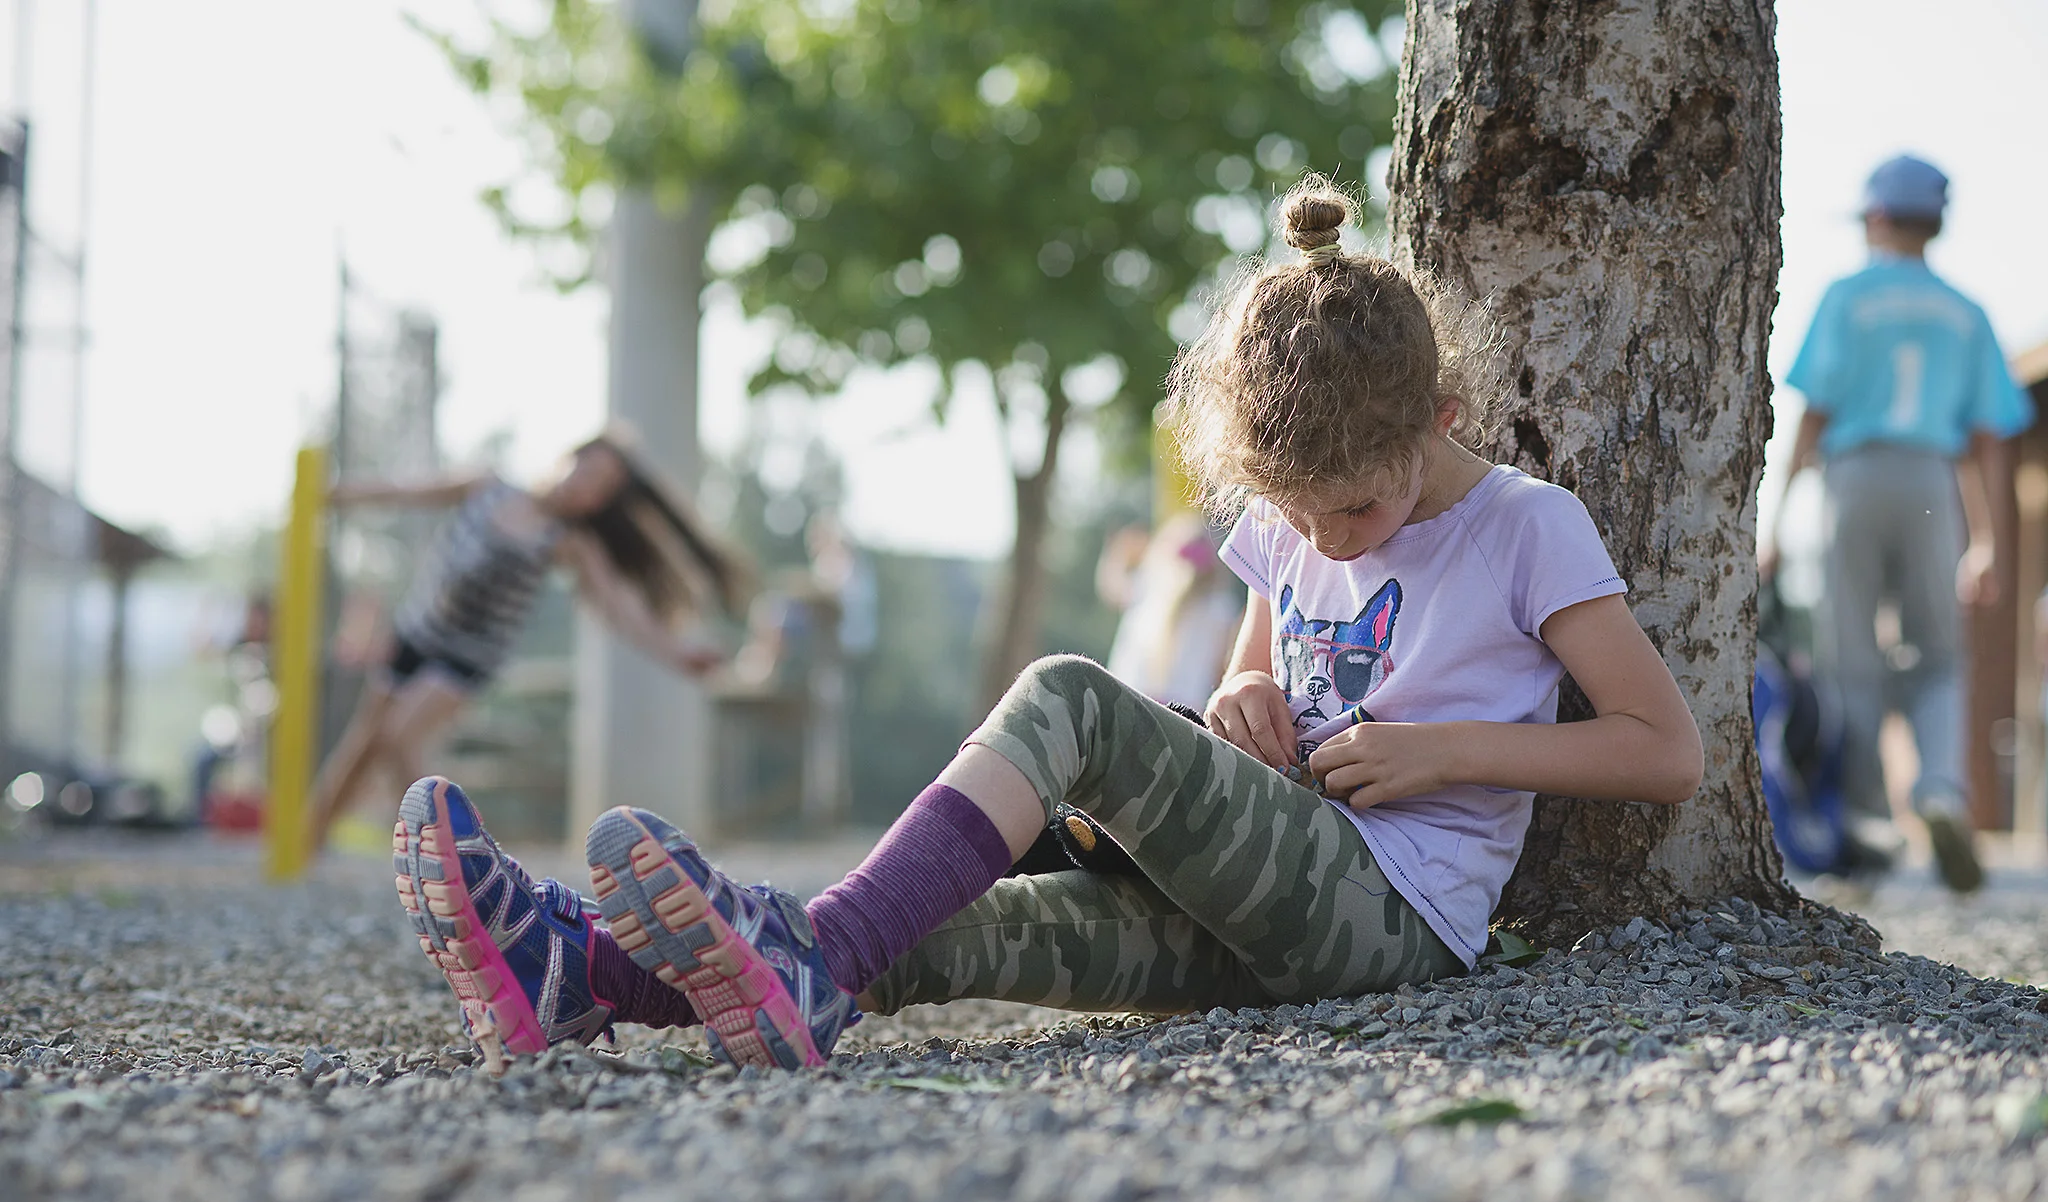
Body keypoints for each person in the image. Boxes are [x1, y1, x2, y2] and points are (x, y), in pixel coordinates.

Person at [391, 176, 1704, 1074]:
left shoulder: (1526, 527)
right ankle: (589, 981)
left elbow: (1663, 750)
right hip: (1271, 889)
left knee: (1071, 696)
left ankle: (815, 948)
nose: (1324, 541)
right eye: (1294, 514)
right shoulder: (1296, 523)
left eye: (1354, 508)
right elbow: (1260, 687)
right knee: (977, 921)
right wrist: (1248, 709)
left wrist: (1450, 752)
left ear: (1442, 421)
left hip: (1394, 916)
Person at [1762, 154, 2035, 892]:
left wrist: (1778, 524)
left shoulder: (1849, 296)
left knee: (1850, 651)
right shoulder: (1969, 310)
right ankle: (1941, 788)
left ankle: (1865, 818)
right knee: (1941, 653)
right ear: (1936, 223)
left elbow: (1811, 415)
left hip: (1852, 480)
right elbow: (1989, 437)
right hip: (1931, 481)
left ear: (1876, 218)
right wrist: (1987, 544)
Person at [306, 426, 746, 852]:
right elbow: (405, 492)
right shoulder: (487, 486)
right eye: (587, 470)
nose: (583, 486)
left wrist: (676, 653)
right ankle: (305, 843)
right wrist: (334, 493)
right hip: (417, 632)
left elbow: (620, 609)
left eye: (600, 488)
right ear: (568, 458)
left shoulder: (568, 541)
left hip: (465, 659)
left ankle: (456, 859)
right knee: (363, 743)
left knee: (399, 738)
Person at [1097, 512, 1245, 711]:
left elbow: (1110, 588)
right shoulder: (1221, 608)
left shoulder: (1148, 588)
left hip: (1129, 698)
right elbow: (1222, 668)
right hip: (1184, 713)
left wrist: (1116, 553)